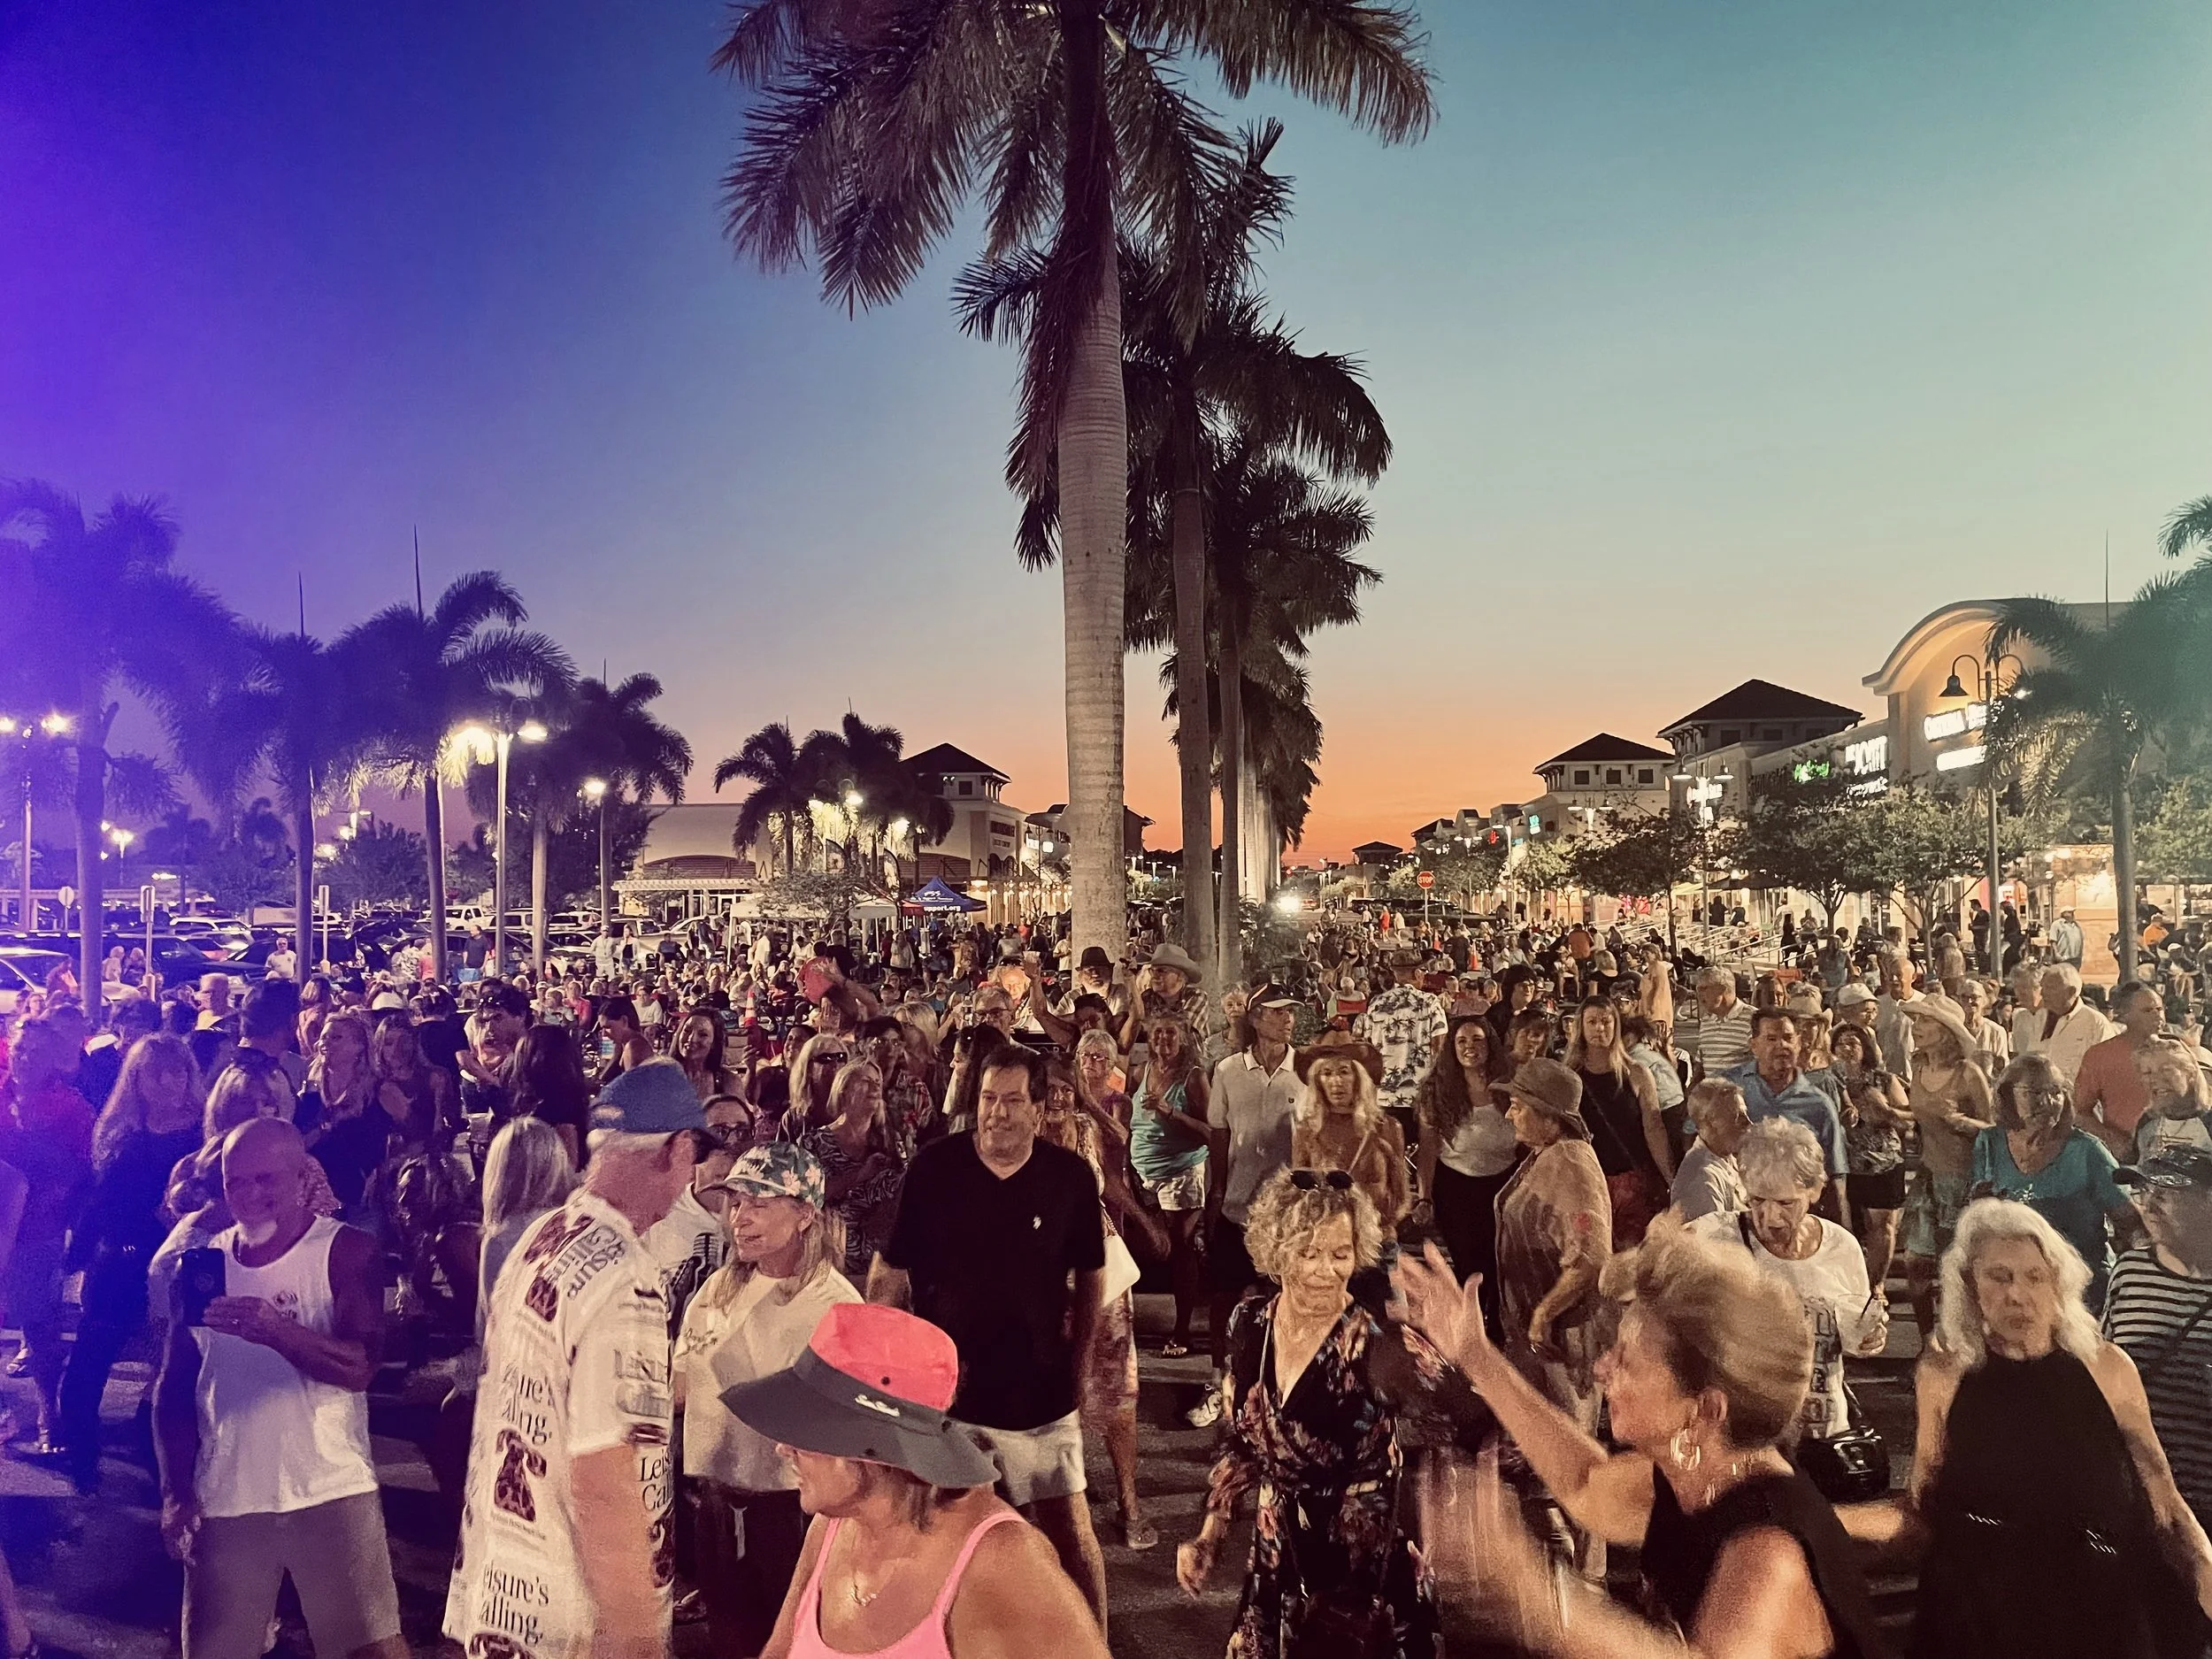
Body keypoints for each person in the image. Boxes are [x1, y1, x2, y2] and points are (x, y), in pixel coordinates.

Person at [1400, 1220, 1890, 1659]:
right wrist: (1474, 1354)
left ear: (1704, 1411)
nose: (1601, 1367)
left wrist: (1533, 1595)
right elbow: (1585, 1485)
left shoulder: (1768, 1556)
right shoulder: (1691, 1475)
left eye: (1627, 1359)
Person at [444, 1058, 705, 1659]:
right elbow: (604, 1474)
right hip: (574, 1615)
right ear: (678, 1147)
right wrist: (636, 1635)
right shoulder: (624, 1277)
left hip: (504, 1592)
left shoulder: (543, 1236)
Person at [1902, 1198, 2212, 1657]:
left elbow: (2162, 1495)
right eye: (1999, 1276)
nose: (2017, 1294)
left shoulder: (2106, 1368)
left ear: (2059, 1282)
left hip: (2096, 1606)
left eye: (2034, 1276)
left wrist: (2204, 1564)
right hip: (1980, 1613)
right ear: (1969, 1285)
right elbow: (1924, 1489)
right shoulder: (1945, 1373)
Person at [867, 1045, 1109, 1632]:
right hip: (952, 1399)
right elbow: (888, 1274)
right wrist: (894, 1370)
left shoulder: (1070, 1177)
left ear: (1039, 1107)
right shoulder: (932, 1168)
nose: (997, 1113)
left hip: (1042, 1393)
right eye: (988, 1099)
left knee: (1070, 1529)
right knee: (958, 1532)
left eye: (1012, 1100)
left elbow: (1092, 1277)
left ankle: (1096, 1642)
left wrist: (1081, 1369)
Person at [726, 1302, 1111, 1659]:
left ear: (870, 1448)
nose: (782, 1447)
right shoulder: (830, 1528)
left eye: (807, 1432)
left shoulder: (1001, 1561)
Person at [152, 1119, 406, 1659]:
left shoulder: (346, 1252)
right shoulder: (202, 1267)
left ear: (301, 1176)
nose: (248, 1196)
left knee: (371, 1651)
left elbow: (360, 1368)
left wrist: (277, 1331)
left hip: (331, 1488)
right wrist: (175, 1494)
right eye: (233, 1183)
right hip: (228, 1495)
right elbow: (172, 1389)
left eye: (264, 1180)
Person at [1173, 1169, 1445, 1659]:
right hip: (1280, 1549)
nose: (1324, 1271)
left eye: (1340, 1255)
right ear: (1278, 1253)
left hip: (1361, 1570)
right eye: (1308, 1253)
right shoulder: (1249, 1323)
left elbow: (1467, 1420)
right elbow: (1241, 1440)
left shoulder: (1377, 1344)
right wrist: (1210, 1536)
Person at [675, 1144, 860, 1658]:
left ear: (805, 1214)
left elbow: (849, 1429)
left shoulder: (835, 1306)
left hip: (793, 1513)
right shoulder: (717, 1290)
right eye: (735, 1202)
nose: (742, 1217)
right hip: (717, 1502)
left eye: (760, 1201)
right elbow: (682, 1385)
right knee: (728, 1634)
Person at [55, 1033, 204, 1493]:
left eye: (176, 1071)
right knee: (90, 1357)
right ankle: (78, 1449)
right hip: (120, 1260)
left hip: (183, 1263)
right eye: (155, 1073)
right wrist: (74, 1260)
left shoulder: (204, 1134)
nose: (167, 1083)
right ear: (136, 1080)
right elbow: (97, 1205)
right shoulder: (120, 1132)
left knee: (179, 1363)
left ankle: (165, 1458)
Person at [1693, 1120, 1886, 1448]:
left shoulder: (1842, 1248)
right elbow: (1625, 1282)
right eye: (1757, 1201)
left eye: (1785, 1203)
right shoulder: (1715, 1236)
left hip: (1824, 1435)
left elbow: (1853, 1336)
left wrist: (1871, 1337)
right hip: (1744, 1441)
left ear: (1815, 1190)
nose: (1770, 1218)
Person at [1491, 1058, 1613, 1449]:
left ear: (1550, 1117)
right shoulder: (1547, 1154)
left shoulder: (1570, 1162)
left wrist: (1545, 1313)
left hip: (1566, 1338)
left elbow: (1590, 1258)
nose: (1510, 1115)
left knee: (1570, 1444)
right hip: (1543, 1335)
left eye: (1519, 1107)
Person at [1198, 981, 1302, 1429]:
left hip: (1286, 1212)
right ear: (1256, 1018)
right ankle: (1217, 1378)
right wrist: (1217, 1189)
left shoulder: (1307, 1071)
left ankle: (1278, 1384)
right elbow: (1218, 1133)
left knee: (1282, 1297)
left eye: (1290, 1012)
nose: (1287, 1019)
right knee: (1223, 1296)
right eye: (1278, 1012)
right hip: (1238, 1205)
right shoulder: (1227, 1071)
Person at [1973, 1053, 2135, 1312]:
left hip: (2078, 1289)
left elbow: (2129, 1221)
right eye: (2034, 1093)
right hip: (2014, 1287)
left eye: (2056, 1092)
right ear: (2007, 1095)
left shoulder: (2087, 1151)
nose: (2048, 1102)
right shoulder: (1990, 1143)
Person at [2105, 1145, 2212, 1531]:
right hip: (2137, 1492)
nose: (2148, 1205)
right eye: (2142, 1191)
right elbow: (2107, 1369)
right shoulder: (2130, 1270)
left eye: (2165, 1193)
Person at [0, 1016, 94, 1454]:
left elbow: (81, 1168)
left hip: (38, 1229)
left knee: (39, 1323)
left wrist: (36, 1155)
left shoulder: (71, 1107)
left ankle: (47, 1409)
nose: (25, 1058)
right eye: (20, 1049)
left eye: (35, 1051)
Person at [1413, 1014, 1517, 1320]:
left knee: (1499, 1260)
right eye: (1462, 1041)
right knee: (1468, 1262)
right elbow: (1428, 1147)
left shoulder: (1510, 1081)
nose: (1470, 1047)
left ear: (1490, 1044)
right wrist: (1424, 1196)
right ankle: (1473, 1324)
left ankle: (1498, 1322)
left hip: (1504, 1183)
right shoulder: (1437, 1089)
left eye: (1477, 1039)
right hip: (1456, 1186)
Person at [1127, 1010, 1210, 1358]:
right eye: (1157, 1033)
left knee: (1180, 1249)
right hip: (1143, 1172)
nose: (1163, 1040)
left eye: (1170, 1034)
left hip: (1182, 1172)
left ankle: (1182, 1331)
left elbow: (1211, 1131)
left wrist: (1169, 1112)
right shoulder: (1142, 1070)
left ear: (1184, 1037)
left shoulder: (1192, 1077)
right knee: (1145, 1244)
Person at [1569, 995, 1674, 1248]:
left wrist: (1671, 1179)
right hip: (1588, 1183)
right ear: (1581, 1027)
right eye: (1592, 1022)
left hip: (1633, 1182)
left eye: (1606, 1021)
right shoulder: (1570, 1076)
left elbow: (1654, 1127)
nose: (1599, 1028)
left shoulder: (1636, 1073)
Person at [1291, 1042, 1408, 1248]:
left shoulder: (1387, 1128)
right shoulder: (1307, 1131)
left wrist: (1382, 1227)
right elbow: (1298, 1192)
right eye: (1327, 1073)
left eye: (1344, 1072)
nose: (1336, 1082)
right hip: (1326, 1241)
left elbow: (1401, 1195)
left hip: (1376, 1240)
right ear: (1318, 1080)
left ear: (1359, 1077)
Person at [1727, 1010, 1848, 1210]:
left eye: (1788, 1038)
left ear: (1798, 1044)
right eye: (1771, 1039)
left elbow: (1836, 1176)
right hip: (1739, 1210)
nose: (1781, 1046)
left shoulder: (1819, 1104)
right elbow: (1696, 1140)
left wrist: (1842, 1233)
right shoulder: (1728, 1088)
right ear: (1754, 1045)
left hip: (1798, 1214)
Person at [798, 1058, 905, 1281]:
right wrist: (858, 1175)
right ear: (844, 1090)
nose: (875, 1087)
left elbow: (909, 1191)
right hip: (830, 1262)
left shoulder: (891, 1140)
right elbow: (801, 1199)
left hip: (882, 1264)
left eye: (878, 1082)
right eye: (866, 1081)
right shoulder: (813, 1143)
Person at [1830, 1021, 1910, 1297]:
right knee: (1846, 1230)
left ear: (1866, 1048)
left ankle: (1876, 1285)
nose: (1848, 1049)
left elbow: (1908, 1120)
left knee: (1883, 1229)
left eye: (1854, 1042)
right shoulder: (1827, 1079)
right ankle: (1852, 1285)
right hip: (1841, 1167)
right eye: (1841, 1043)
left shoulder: (1885, 1080)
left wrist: (1884, 1110)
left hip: (1882, 1162)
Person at [1356, 945, 1449, 1150]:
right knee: (1427, 1152)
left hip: (1384, 1098)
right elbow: (1440, 1049)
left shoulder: (1376, 1004)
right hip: (1419, 1098)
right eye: (1423, 972)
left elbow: (1368, 1051)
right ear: (1416, 973)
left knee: (1387, 1156)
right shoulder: (1430, 1003)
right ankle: (1424, 1184)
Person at [2076, 981, 2166, 1160]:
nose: (2158, 1015)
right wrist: (2112, 1140)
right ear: (2125, 1016)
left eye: (2160, 1008)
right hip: (2126, 1153)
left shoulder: (2177, 1051)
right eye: (2148, 1011)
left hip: (2172, 1151)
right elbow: (2079, 1112)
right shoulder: (2100, 1055)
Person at [1671, 1077, 1751, 1223]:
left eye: (1746, 1115)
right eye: (1738, 1117)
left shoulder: (1726, 1157)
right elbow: (1716, 1240)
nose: (1749, 1123)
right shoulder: (1702, 1181)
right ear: (1711, 1123)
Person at [2028, 964, 2117, 1088]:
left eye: (2050, 988)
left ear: (2071, 992)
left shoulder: (2095, 1023)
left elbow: (2109, 1070)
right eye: (2042, 987)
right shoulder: (2039, 1018)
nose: (2043, 993)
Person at [2132, 1035, 2212, 1164]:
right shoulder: (2147, 1122)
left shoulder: (2208, 1121)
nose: (2154, 1079)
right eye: (2147, 1072)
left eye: (2166, 1070)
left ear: (2191, 1073)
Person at [1689, 967, 1755, 1077]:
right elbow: (1701, 1065)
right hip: (1711, 1091)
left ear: (1722, 989)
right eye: (1697, 989)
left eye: (1704, 989)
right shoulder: (1707, 1020)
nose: (1699, 994)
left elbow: (1764, 1065)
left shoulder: (1753, 1018)